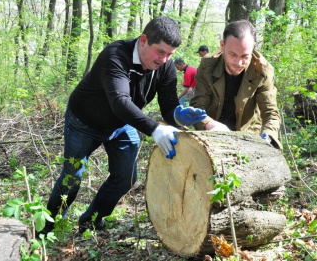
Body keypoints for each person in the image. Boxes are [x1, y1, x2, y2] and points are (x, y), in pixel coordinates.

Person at [38, 16, 207, 236]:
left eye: (170, 54)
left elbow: (168, 104)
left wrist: (179, 115)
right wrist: (155, 129)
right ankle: (47, 230)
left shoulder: (165, 67)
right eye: (160, 52)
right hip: (84, 122)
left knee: (126, 177)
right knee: (73, 176)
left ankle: (90, 222)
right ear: (144, 40)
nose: (165, 59)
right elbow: (119, 102)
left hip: (121, 124)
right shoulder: (116, 55)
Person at [190, 20, 282, 149]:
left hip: (248, 137)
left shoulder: (262, 71)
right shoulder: (207, 66)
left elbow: (271, 112)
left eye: (245, 56)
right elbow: (198, 104)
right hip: (211, 135)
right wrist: (209, 124)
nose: (238, 63)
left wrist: (268, 136)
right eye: (233, 54)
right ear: (222, 45)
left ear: (253, 47)